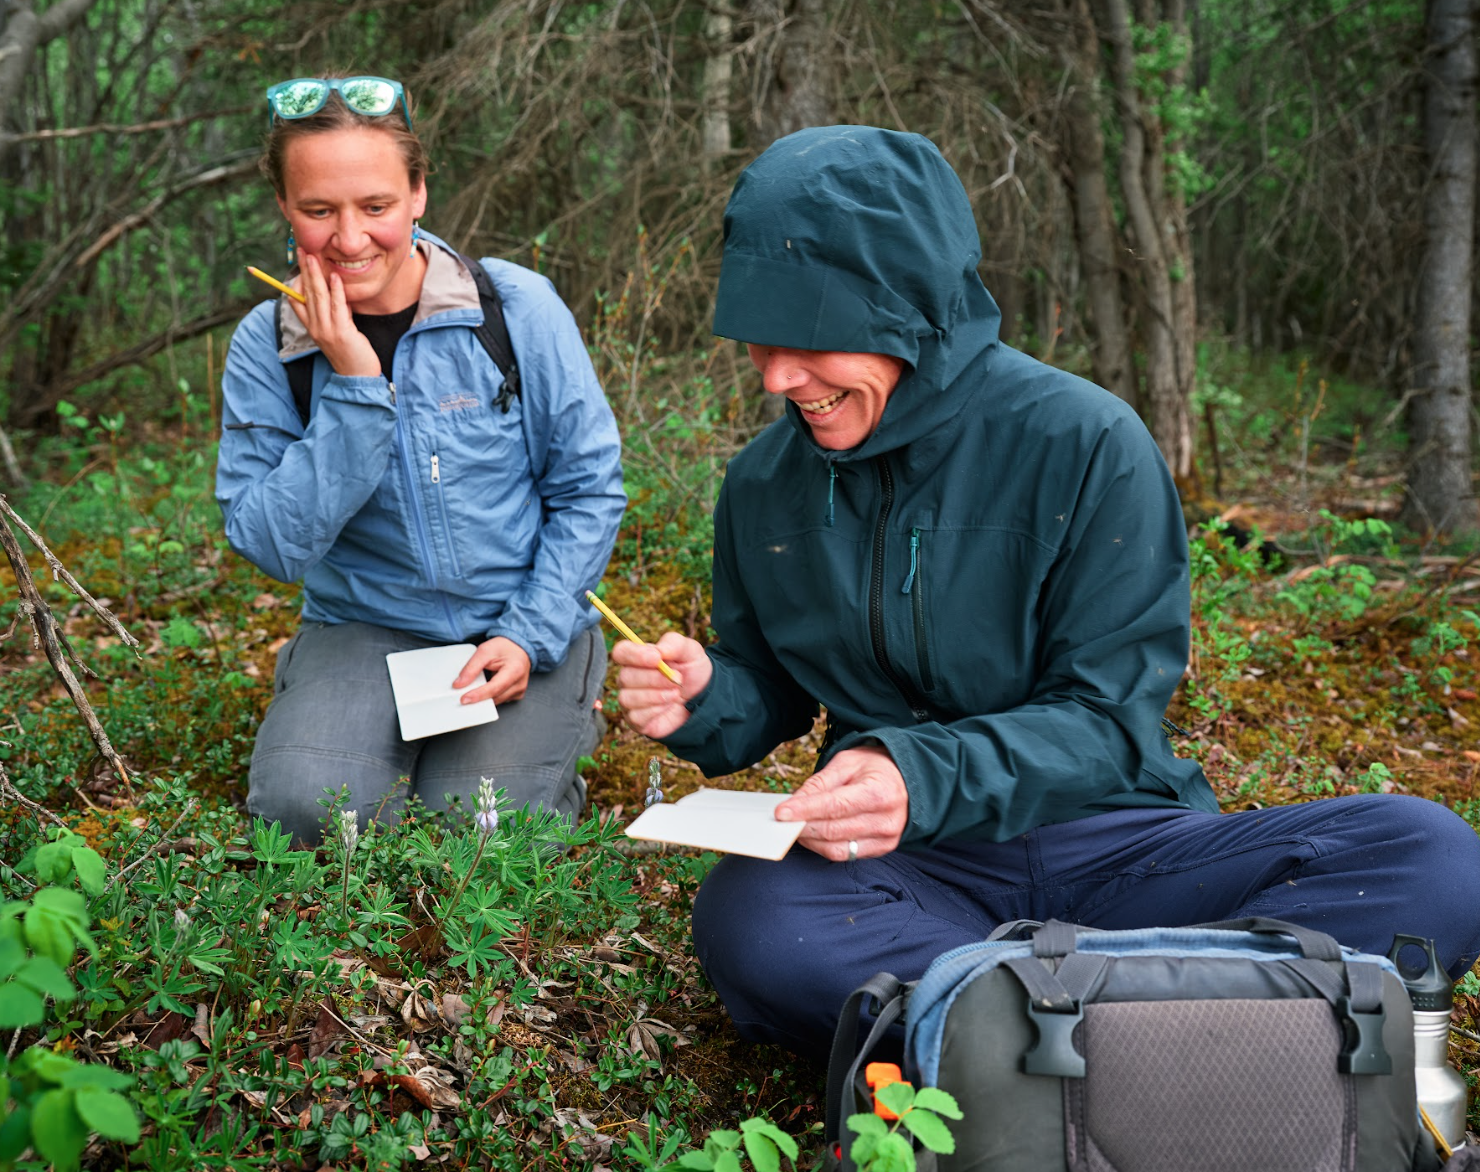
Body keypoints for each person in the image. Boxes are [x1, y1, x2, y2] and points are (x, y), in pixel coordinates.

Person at [613, 125, 1480, 1061]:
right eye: (758, 345)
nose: (781, 379)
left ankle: (1002, 1036)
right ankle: (1192, 1028)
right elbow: (772, 686)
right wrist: (706, 697)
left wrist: (921, 774)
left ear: (907, 307)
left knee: (1429, 852)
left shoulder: (1084, 442)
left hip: (1120, 843)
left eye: (810, 341)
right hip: (913, 873)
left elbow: (1109, 718)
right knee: (756, 916)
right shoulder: (762, 485)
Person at [217, 75, 624, 846]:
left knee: (481, 826)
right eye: (318, 211)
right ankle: (342, 721)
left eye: (375, 207)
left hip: (515, 621)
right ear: (284, 207)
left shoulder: (512, 307)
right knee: (312, 811)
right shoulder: (267, 345)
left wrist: (531, 633)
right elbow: (268, 543)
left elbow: (588, 490)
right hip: (363, 626)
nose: (349, 238)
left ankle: (560, 702)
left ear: (418, 194)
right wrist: (356, 386)